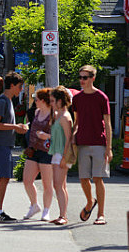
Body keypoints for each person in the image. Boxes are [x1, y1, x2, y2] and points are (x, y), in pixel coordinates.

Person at [73, 65, 112, 225]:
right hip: (82, 142)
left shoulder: (102, 97)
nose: (82, 80)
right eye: (80, 77)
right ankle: (90, 202)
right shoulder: (77, 98)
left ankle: (101, 214)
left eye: (85, 77)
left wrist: (109, 148)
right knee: (83, 178)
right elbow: (76, 121)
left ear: (92, 78)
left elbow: (108, 123)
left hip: (99, 142)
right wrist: (71, 142)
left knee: (98, 178)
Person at [0, 72, 28, 223]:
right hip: (0, 144)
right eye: (19, 86)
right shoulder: (2, 101)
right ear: (12, 85)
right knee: (3, 178)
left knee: (5, 178)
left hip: (6, 144)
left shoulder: (8, 101)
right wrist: (15, 126)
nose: (21, 89)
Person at [22, 88, 54, 221]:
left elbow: (60, 135)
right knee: (27, 180)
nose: (34, 101)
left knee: (47, 183)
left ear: (43, 100)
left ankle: (46, 210)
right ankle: (34, 205)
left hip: (47, 151)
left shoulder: (54, 115)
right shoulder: (36, 112)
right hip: (33, 150)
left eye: (36, 99)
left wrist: (47, 136)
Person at [48, 86, 74, 225]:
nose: (51, 103)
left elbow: (68, 138)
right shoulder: (59, 115)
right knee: (60, 185)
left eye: (53, 101)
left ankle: (63, 215)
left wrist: (64, 157)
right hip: (57, 152)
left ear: (59, 101)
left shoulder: (65, 117)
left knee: (58, 185)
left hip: (61, 154)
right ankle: (61, 214)